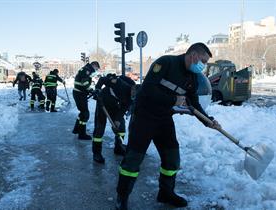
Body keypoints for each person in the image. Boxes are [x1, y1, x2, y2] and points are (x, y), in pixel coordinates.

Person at [115, 43, 221, 210]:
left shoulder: (192, 77)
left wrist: (208, 121)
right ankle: (122, 197)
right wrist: (173, 100)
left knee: (172, 159)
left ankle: (166, 193)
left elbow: (194, 104)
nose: (203, 65)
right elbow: (148, 90)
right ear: (193, 55)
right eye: (203, 60)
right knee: (133, 161)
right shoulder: (166, 63)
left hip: (164, 119)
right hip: (144, 117)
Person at [91, 74, 137, 164]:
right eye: (133, 94)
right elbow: (103, 79)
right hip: (103, 101)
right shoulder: (120, 84)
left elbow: (123, 108)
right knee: (100, 128)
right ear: (133, 89)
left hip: (114, 105)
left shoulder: (132, 98)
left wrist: (117, 120)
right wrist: (97, 89)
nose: (133, 96)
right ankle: (96, 153)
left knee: (121, 127)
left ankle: (118, 147)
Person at [72, 61, 100, 140]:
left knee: (82, 112)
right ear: (94, 65)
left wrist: (89, 91)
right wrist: (91, 90)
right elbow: (84, 82)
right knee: (85, 114)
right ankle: (82, 134)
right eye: (96, 68)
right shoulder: (87, 70)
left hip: (79, 93)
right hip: (79, 93)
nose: (96, 70)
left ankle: (76, 129)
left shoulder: (85, 69)